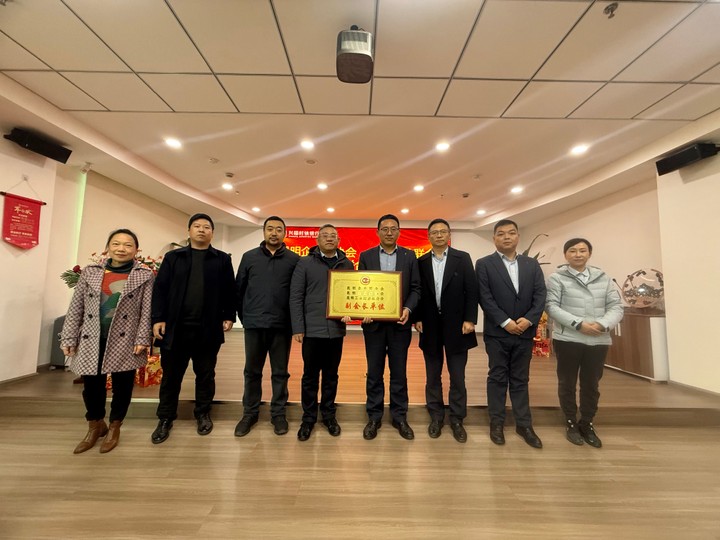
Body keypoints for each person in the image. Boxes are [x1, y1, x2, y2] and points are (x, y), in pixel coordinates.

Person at [60, 229, 154, 454]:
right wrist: (69, 336)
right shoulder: (90, 272)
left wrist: (143, 337)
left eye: (128, 245)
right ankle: (95, 425)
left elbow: (147, 310)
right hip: (92, 337)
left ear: (136, 250)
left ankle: (114, 427)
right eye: (116, 244)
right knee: (91, 385)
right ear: (107, 247)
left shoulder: (144, 275)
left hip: (126, 338)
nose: (121, 249)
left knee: (123, 385)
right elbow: (76, 307)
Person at [150, 213, 236, 444]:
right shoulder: (173, 257)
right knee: (171, 376)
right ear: (189, 231)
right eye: (196, 226)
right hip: (175, 328)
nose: (201, 230)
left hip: (207, 329)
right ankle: (165, 418)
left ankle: (203, 413)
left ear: (212, 233)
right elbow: (160, 289)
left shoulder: (221, 259)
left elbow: (230, 290)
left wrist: (229, 315)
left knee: (206, 375)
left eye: (206, 227)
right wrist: (158, 318)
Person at [545, 238, 623, 448]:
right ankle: (571, 422)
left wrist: (602, 324)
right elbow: (551, 306)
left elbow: (616, 306)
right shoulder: (557, 278)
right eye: (572, 251)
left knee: (591, 384)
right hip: (568, 338)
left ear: (589, 253)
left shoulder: (603, 278)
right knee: (567, 382)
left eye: (582, 250)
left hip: (598, 339)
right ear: (565, 255)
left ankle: (587, 422)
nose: (578, 254)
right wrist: (578, 324)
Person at [476, 219, 546, 448]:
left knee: (520, 378)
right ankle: (496, 423)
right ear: (494, 238)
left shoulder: (531, 264)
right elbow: (485, 297)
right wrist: (505, 322)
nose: (506, 237)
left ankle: (524, 424)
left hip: (524, 331)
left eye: (511, 233)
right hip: (498, 333)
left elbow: (540, 295)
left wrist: (529, 319)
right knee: (497, 377)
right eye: (501, 233)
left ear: (518, 237)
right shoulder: (484, 264)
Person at [234, 216, 299, 437]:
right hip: (254, 324)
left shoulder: (294, 260)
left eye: (279, 229)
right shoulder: (249, 257)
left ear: (284, 233)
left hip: (282, 325)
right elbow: (239, 289)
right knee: (252, 371)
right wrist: (244, 318)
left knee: (280, 373)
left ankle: (278, 414)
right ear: (264, 232)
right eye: (270, 229)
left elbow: (297, 293)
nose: (274, 233)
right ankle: (249, 414)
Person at [414, 219, 478, 443]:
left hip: (458, 326)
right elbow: (417, 292)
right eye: (434, 232)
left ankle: (457, 419)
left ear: (449, 234)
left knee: (457, 376)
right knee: (433, 375)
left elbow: (472, 290)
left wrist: (470, 319)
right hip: (429, 325)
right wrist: (417, 318)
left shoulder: (463, 258)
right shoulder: (421, 261)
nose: (439, 235)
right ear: (428, 236)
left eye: (443, 231)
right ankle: (436, 416)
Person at [359, 214, 421, 440]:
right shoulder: (366, 256)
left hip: (399, 325)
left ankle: (399, 417)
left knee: (399, 373)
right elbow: (361, 287)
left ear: (399, 232)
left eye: (393, 228)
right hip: (374, 326)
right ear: (377, 232)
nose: (389, 232)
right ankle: (374, 417)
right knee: (374, 373)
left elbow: (416, 288)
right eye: (384, 229)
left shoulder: (409, 255)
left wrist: (408, 309)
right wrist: (364, 310)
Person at [289, 224, 354, 441]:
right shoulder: (305, 263)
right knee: (309, 377)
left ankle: (328, 416)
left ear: (339, 240)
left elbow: (353, 294)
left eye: (333, 236)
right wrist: (298, 327)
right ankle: (308, 418)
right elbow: (296, 296)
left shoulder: (346, 264)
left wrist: (350, 312)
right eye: (324, 235)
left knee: (331, 376)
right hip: (311, 331)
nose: (329, 238)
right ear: (317, 240)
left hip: (336, 331)